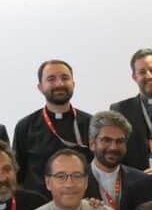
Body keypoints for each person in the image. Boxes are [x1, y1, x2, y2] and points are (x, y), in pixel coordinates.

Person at [11, 58, 94, 190]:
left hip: (81, 202)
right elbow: (17, 175)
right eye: (51, 79)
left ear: (73, 83)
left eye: (65, 78)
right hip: (38, 204)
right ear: (40, 87)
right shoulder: (25, 126)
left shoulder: (91, 124)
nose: (59, 83)